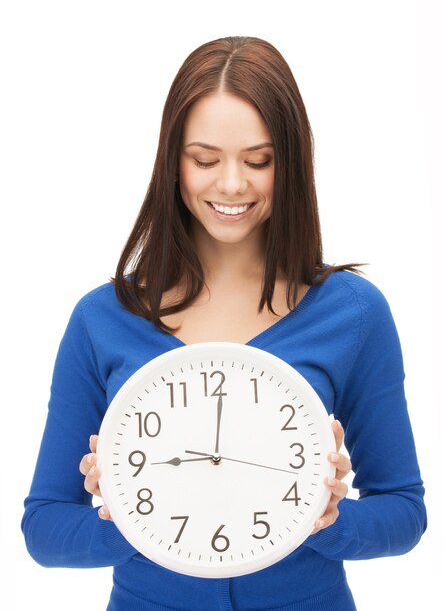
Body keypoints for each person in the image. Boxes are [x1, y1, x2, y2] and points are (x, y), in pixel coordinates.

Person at [22, 36, 426, 611]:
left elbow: (404, 511)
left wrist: (324, 516)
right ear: (172, 160)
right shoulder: (102, 319)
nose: (232, 184)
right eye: (205, 159)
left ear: (289, 162)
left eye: (258, 161)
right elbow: (44, 528)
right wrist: (136, 516)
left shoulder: (354, 314)